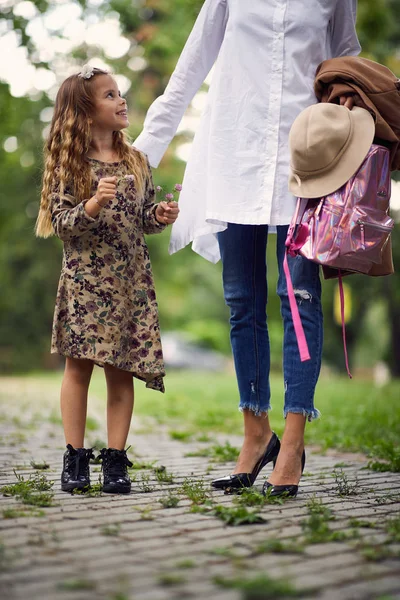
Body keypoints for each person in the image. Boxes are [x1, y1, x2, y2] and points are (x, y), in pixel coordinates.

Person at [134, 0, 361, 497]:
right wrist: (137, 162)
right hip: (234, 153)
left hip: (306, 161)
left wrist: (350, 107)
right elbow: (188, 72)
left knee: (299, 298)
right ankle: (256, 434)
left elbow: (349, 62)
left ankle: (295, 440)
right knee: (241, 300)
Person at [35, 65, 179, 494]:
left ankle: (115, 461)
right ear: (84, 111)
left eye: (120, 93)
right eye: (110, 95)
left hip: (129, 285)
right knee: (77, 371)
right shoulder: (71, 163)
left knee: (121, 372)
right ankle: (74, 458)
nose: (121, 101)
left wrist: (160, 216)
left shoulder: (136, 160)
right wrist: (95, 202)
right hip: (86, 285)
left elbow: (143, 220)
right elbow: (62, 224)